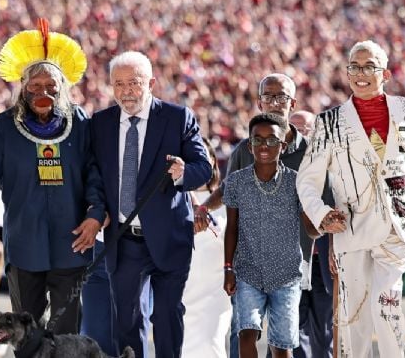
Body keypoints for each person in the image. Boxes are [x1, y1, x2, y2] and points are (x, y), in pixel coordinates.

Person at [0, 21, 106, 335]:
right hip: (24, 247)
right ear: (22, 87)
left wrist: (95, 215)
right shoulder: (1, 130)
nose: (43, 93)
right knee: (28, 337)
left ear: (62, 87)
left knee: (66, 337)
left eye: (51, 86)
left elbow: (95, 172)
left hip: (72, 245)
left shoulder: (78, 122)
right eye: (34, 86)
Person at [297, 40, 405, 358]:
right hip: (350, 228)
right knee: (354, 319)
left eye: (369, 66)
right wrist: (321, 214)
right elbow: (307, 180)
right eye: (355, 67)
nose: (361, 74)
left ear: (385, 73)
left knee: (388, 309)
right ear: (347, 73)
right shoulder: (328, 123)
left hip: (395, 227)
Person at [200, 74, 333, 358]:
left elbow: (325, 203)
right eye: (268, 97)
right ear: (259, 101)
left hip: (294, 266)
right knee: (244, 335)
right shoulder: (244, 150)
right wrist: (203, 208)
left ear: (292, 102)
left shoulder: (312, 153)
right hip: (248, 265)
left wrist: (331, 240)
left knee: (286, 341)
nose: (274, 103)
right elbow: (227, 190)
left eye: (281, 97)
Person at [90, 50, 211, 358]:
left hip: (170, 237)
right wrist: (97, 210)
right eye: (119, 84)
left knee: (168, 319)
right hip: (124, 240)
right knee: (128, 324)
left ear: (151, 83)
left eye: (134, 82)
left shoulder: (176, 118)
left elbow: (204, 168)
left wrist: (185, 173)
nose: (127, 91)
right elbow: (93, 177)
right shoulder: (100, 123)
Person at [224, 113, 320, 358]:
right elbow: (231, 227)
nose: (264, 146)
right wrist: (228, 268)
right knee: (246, 332)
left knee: (281, 345)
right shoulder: (236, 181)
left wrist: (323, 224)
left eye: (271, 140)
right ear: (249, 144)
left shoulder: (296, 182)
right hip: (248, 272)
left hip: (286, 275)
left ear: (283, 145)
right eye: (257, 140)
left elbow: (309, 227)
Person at [180, 138, 230, 358]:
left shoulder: (226, 198)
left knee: (211, 345)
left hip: (216, 291)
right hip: (181, 289)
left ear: (212, 161)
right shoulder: (174, 199)